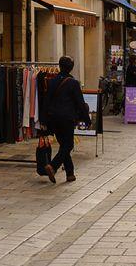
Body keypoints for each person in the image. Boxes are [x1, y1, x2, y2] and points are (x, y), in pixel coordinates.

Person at [42, 56, 91, 184]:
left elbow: (46, 101)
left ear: (59, 66)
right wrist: (87, 119)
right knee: (68, 145)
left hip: (54, 118)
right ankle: (53, 166)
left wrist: (44, 119)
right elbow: (80, 103)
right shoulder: (73, 83)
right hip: (67, 118)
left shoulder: (52, 81)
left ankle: (70, 173)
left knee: (64, 145)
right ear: (71, 68)